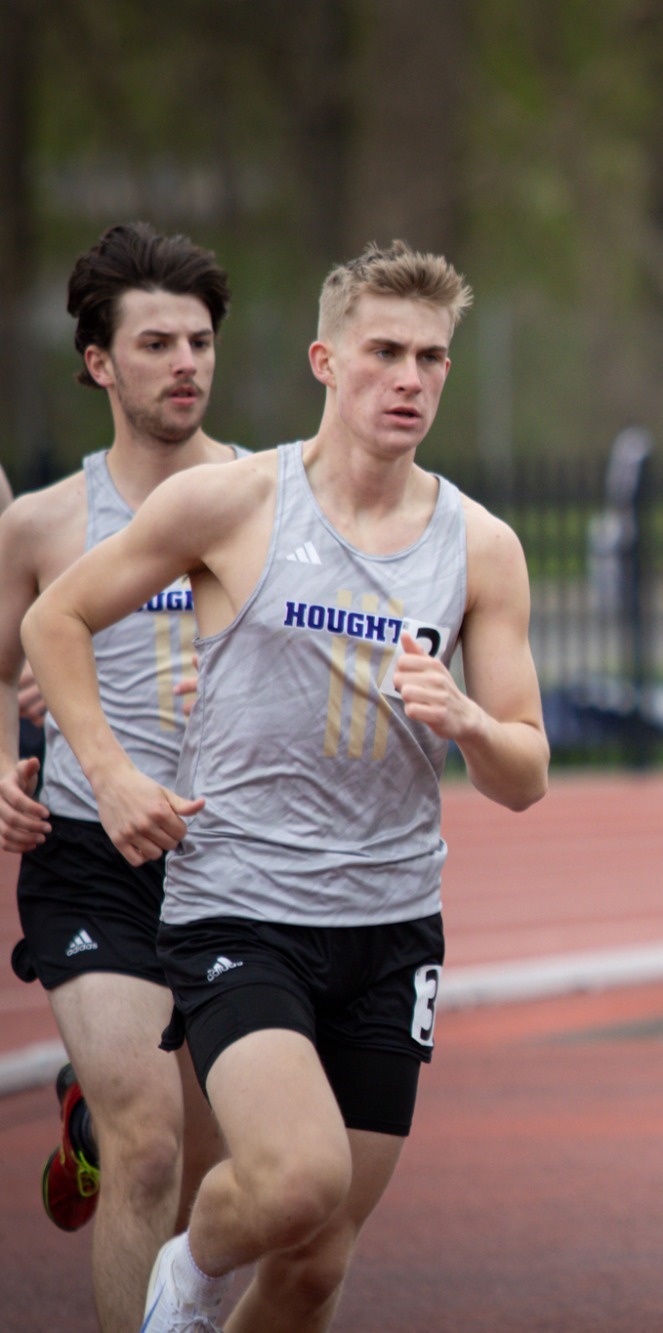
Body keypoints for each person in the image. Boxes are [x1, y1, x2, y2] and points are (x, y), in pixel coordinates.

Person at [23, 240, 549, 1333]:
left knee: (315, 1264)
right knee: (293, 1177)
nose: (409, 379)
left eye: (432, 358)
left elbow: (527, 773)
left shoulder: (480, 547)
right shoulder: (234, 503)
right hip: (241, 907)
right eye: (385, 352)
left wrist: (466, 720)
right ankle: (185, 1287)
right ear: (325, 359)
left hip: (391, 926)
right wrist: (112, 776)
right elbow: (52, 620)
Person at [0, 222, 239, 1332]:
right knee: (152, 1149)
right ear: (100, 362)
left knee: (210, 1176)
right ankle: (111, 1120)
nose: (185, 361)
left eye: (198, 340)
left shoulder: (267, 499)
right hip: (91, 859)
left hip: (238, 863)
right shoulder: (43, 524)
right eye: (156, 342)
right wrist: (4, 762)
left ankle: (86, 1121)